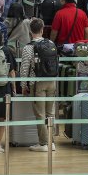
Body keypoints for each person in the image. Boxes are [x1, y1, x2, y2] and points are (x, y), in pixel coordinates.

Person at [19, 18, 57, 152]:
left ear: (30, 31)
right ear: (42, 30)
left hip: (37, 83)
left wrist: (23, 85)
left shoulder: (28, 47)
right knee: (50, 113)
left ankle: (43, 143)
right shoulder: (51, 43)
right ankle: (51, 142)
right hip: (52, 82)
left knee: (40, 114)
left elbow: (24, 69)